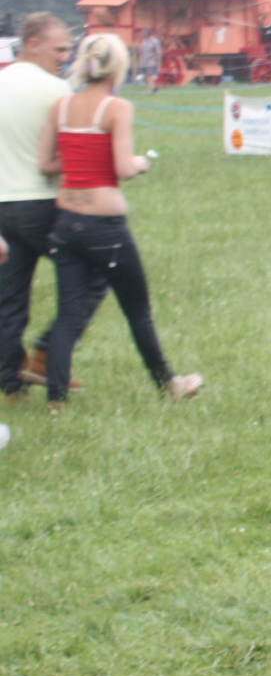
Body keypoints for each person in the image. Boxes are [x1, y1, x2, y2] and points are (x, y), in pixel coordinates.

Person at [32, 33, 200, 411]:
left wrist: (82, 160)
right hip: (104, 227)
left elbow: (46, 164)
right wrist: (141, 162)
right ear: (119, 68)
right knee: (137, 309)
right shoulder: (116, 108)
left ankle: (55, 399)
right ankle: (168, 382)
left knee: (68, 315)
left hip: (65, 223)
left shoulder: (61, 106)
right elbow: (124, 168)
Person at [0, 12, 72, 400]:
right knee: (92, 275)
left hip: (2, 205)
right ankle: (46, 354)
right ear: (32, 43)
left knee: (10, 298)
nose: (64, 56)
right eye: (58, 48)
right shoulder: (56, 90)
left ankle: (10, 383)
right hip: (42, 201)